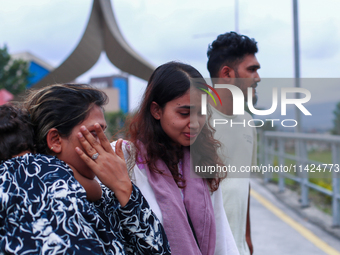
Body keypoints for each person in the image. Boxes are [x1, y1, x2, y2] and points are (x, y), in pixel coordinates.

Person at [0, 84, 171, 254]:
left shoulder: (105, 194)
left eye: (104, 132)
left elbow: (158, 250)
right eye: (94, 133)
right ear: (56, 140)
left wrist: (124, 188)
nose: (104, 146)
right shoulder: (33, 186)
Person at [109, 62, 239, 255]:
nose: (194, 123)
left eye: (201, 113)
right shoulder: (124, 158)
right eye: (184, 113)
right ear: (156, 110)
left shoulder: (203, 160)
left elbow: (220, 234)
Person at [207, 31, 261, 255]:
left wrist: (246, 237)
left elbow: (243, 183)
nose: (258, 77)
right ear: (227, 74)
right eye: (251, 69)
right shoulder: (194, 123)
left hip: (236, 248)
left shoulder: (248, 122)